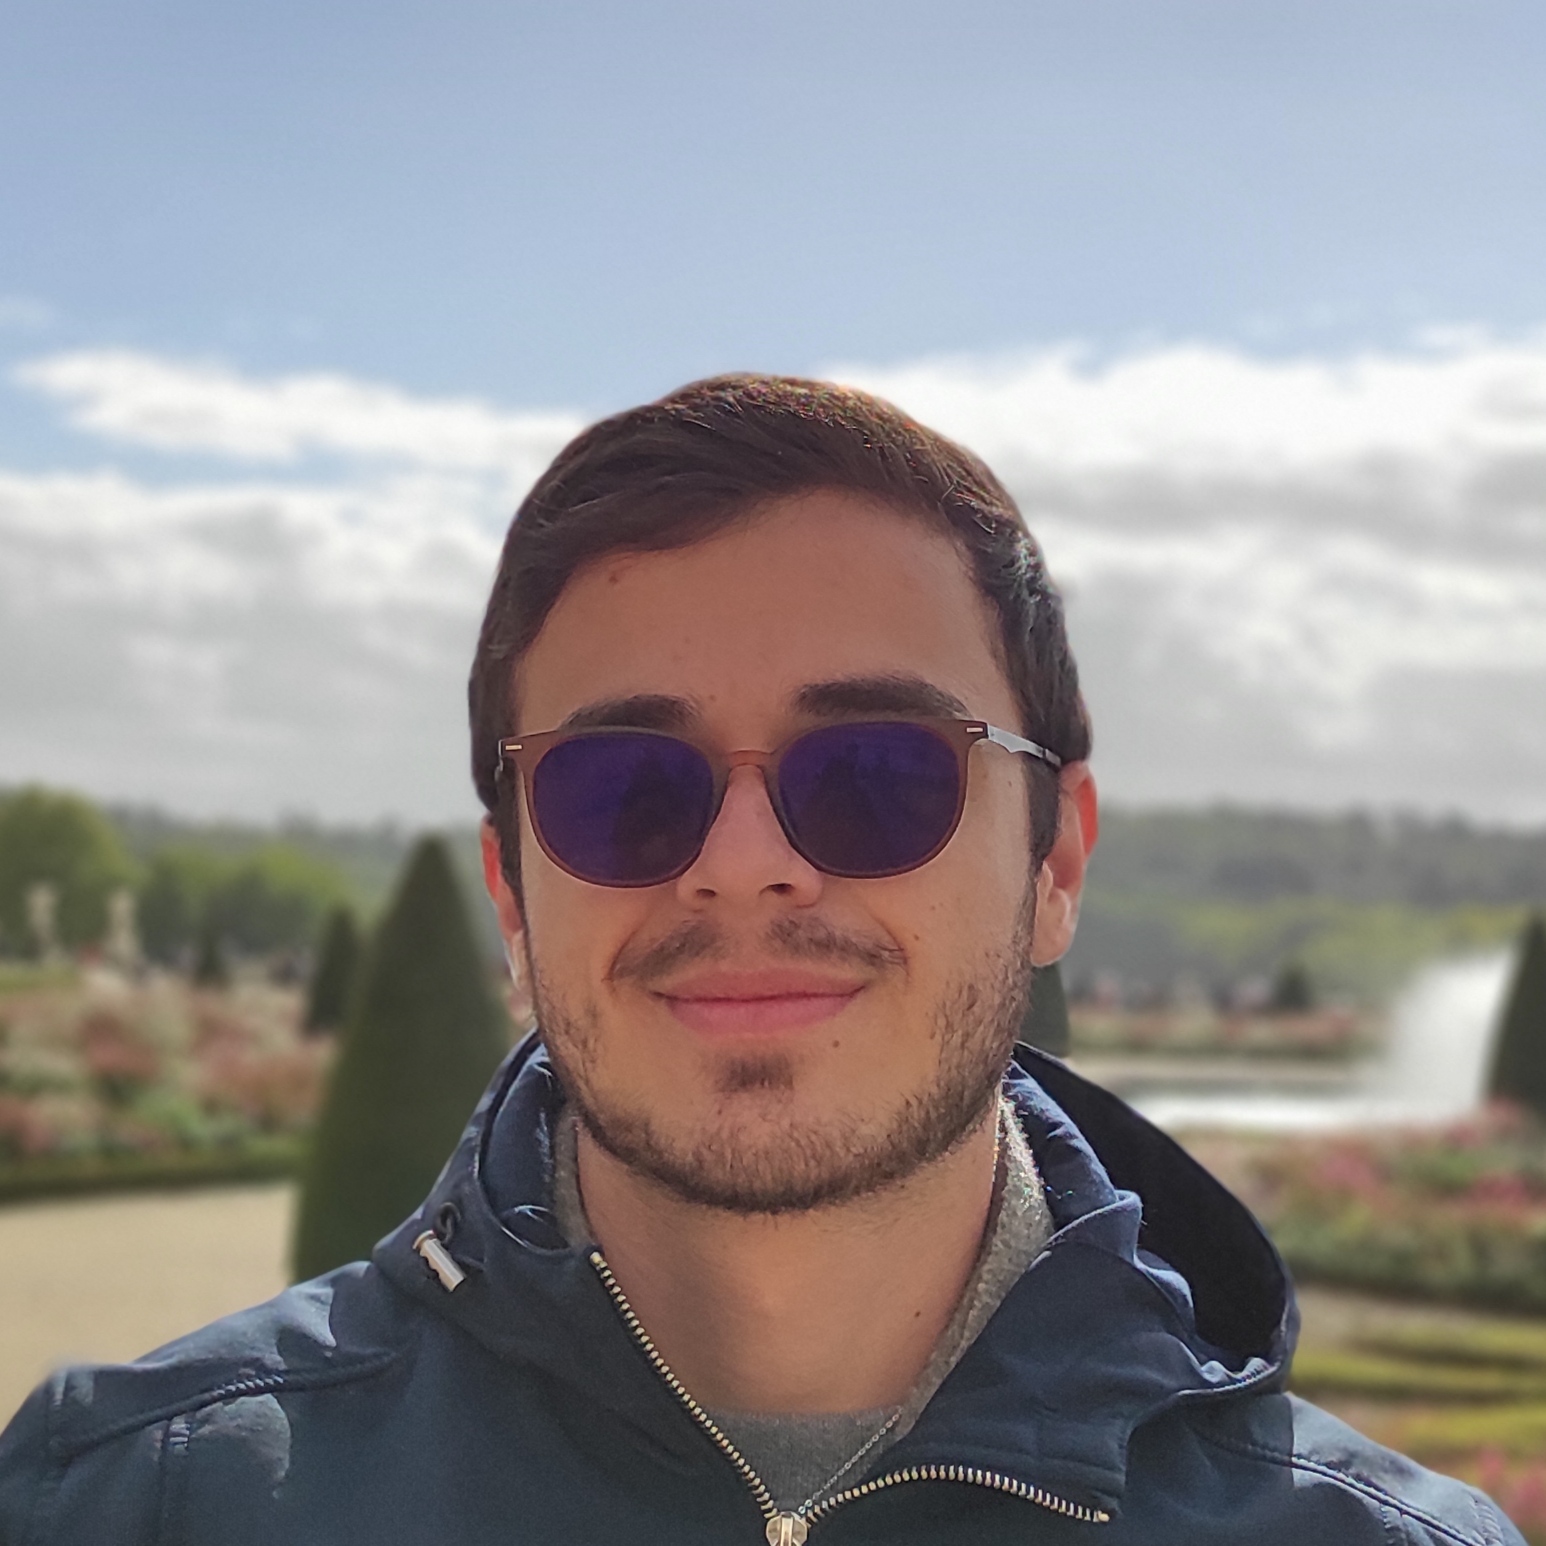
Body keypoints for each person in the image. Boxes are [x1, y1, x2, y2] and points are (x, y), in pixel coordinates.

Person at [0, 377, 1520, 1546]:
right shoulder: (122, 1504)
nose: (740, 861)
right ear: (513, 893)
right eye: (620, 787)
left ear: (1054, 860)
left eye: (875, 772)